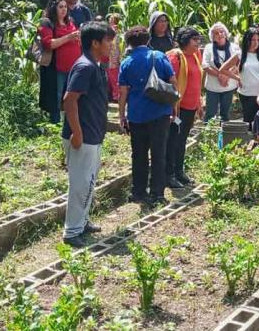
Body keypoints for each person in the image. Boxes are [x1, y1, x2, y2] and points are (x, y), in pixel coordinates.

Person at [61, 21, 115, 248]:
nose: (111, 46)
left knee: (89, 181)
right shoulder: (85, 67)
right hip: (82, 136)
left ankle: (81, 222)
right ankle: (72, 232)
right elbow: (69, 100)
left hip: (92, 134)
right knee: (81, 184)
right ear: (95, 43)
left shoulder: (94, 65)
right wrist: (77, 133)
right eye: (108, 41)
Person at [118, 26, 177, 206]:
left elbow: (123, 93)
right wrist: (174, 106)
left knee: (139, 155)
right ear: (147, 41)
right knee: (159, 154)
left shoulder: (126, 63)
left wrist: (122, 115)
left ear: (129, 44)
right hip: (160, 113)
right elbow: (172, 82)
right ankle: (157, 193)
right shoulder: (159, 56)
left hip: (137, 115)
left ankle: (138, 191)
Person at [165, 27, 204, 189]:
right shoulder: (175, 57)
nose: (198, 43)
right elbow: (170, 84)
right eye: (194, 40)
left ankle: (179, 171)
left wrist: (199, 104)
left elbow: (197, 82)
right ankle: (169, 174)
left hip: (190, 107)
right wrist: (172, 107)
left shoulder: (196, 55)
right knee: (172, 141)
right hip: (177, 108)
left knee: (182, 141)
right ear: (185, 41)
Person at [39, 0, 82, 124]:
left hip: (74, 67)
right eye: (60, 7)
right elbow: (49, 44)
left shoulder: (70, 20)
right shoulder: (46, 22)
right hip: (57, 68)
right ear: (53, 8)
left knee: (73, 96)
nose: (64, 10)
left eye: (65, 7)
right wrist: (69, 37)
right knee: (56, 97)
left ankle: (71, 123)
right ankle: (55, 123)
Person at [221, 27, 259, 127]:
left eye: (258, 40)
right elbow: (223, 69)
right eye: (253, 40)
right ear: (247, 40)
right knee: (249, 122)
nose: (255, 43)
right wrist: (238, 78)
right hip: (247, 94)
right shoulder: (240, 54)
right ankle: (250, 142)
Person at [202, 22, 240, 122]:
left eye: (222, 31)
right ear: (212, 37)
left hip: (229, 87)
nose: (220, 34)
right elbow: (205, 66)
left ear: (226, 33)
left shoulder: (234, 47)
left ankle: (224, 136)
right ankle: (209, 136)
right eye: (216, 33)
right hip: (212, 88)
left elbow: (238, 64)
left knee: (225, 115)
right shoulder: (208, 47)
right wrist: (220, 75)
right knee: (210, 115)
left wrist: (227, 76)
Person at [106, 14, 122, 102]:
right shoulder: (121, 30)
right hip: (118, 55)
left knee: (113, 75)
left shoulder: (112, 30)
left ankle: (116, 95)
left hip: (113, 56)